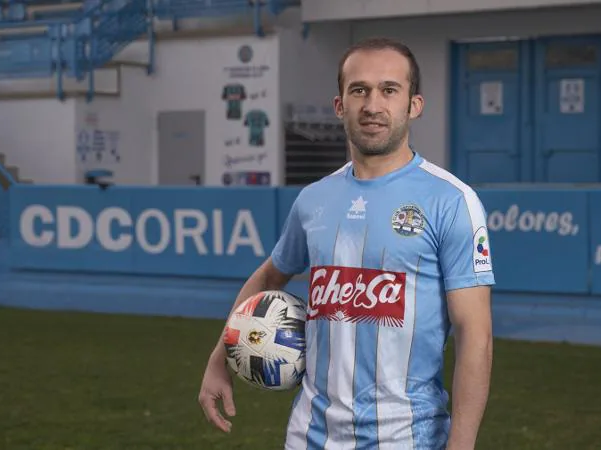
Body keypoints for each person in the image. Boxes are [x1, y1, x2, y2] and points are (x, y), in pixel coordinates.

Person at [199, 37, 495, 450]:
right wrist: (220, 359)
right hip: (310, 436)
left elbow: (474, 334)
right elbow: (269, 275)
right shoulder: (314, 200)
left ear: (414, 105)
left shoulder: (452, 201)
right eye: (359, 90)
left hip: (407, 437)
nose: (373, 105)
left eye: (389, 90)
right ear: (340, 106)